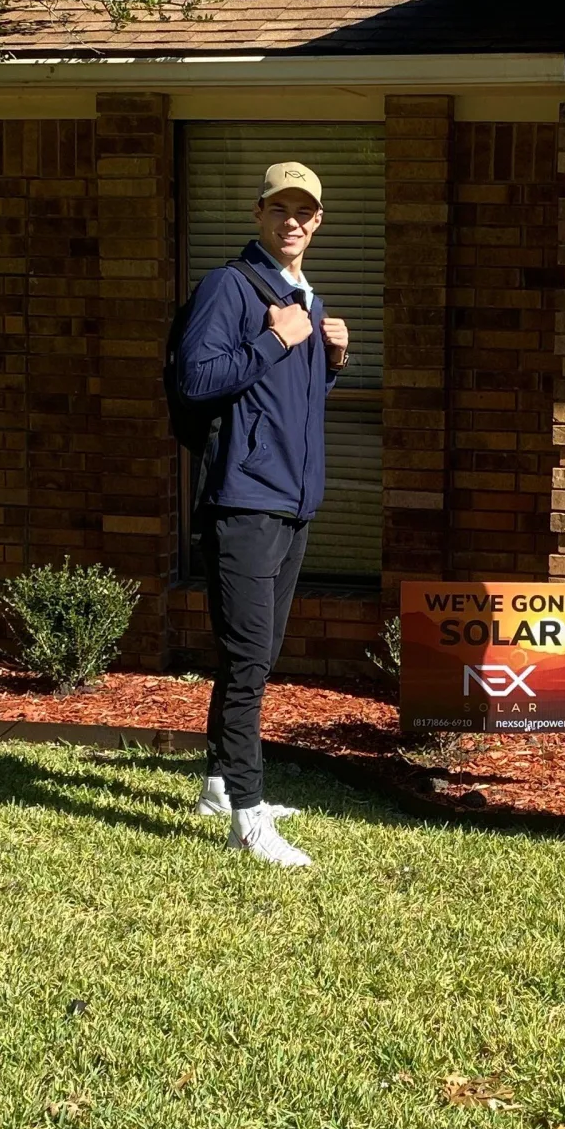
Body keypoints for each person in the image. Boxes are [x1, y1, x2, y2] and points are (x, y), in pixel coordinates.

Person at [177, 161, 349, 868]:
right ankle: (248, 819)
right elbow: (196, 379)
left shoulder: (303, 298)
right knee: (249, 659)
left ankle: (220, 785)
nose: (292, 221)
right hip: (243, 502)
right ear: (258, 214)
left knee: (256, 655)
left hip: (291, 503)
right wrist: (275, 339)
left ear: (318, 221)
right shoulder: (231, 287)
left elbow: (282, 405)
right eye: (279, 208)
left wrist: (329, 362)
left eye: (303, 211)